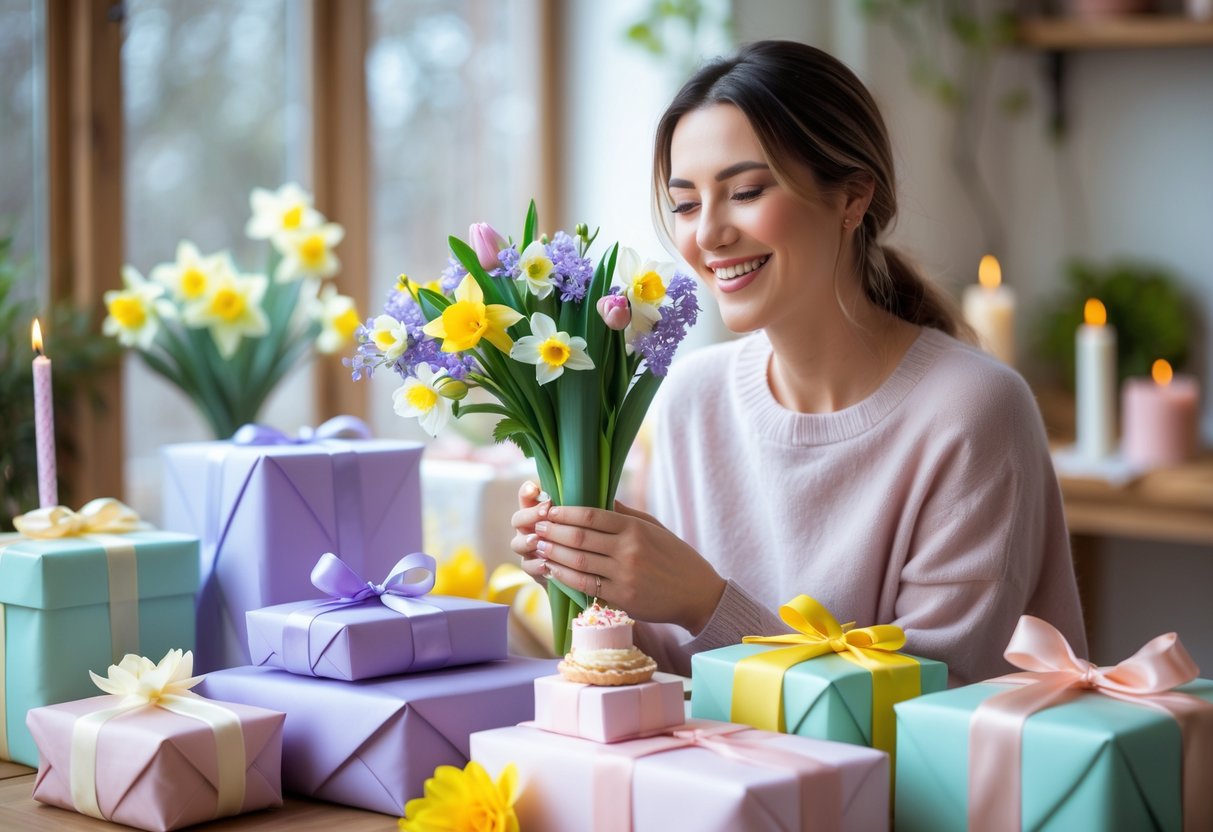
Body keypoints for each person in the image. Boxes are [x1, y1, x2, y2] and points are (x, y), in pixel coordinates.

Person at [510, 39, 1086, 684]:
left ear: (852, 198)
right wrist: (590, 575)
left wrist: (706, 604)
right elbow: (664, 674)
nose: (707, 235)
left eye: (747, 192)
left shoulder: (973, 411)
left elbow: (931, 706)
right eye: (686, 204)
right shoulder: (691, 396)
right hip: (707, 781)